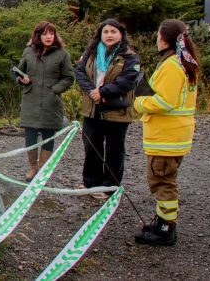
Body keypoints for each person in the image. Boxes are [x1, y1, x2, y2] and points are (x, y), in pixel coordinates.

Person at [133, 19, 200, 246]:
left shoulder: (172, 65)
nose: (156, 39)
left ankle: (165, 229)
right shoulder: (185, 62)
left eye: (158, 35)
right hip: (175, 135)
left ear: (165, 38)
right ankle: (162, 221)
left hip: (166, 137)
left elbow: (164, 101)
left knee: (162, 181)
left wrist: (139, 102)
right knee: (165, 179)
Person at [75, 19, 140, 199]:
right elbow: (80, 72)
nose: (109, 35)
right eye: (106, 32)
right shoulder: (91, 52)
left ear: (121, 34)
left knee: (114, 149)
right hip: (92, 108)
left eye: (113, 31)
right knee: (91, 146)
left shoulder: (129, 56)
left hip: (116, 111)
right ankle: (90, 183)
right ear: (100, 34)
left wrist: (103, 92)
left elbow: (128, 80)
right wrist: (92, 91)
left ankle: (110, 186)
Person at [15, 21, 75, 182]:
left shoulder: (62, 54)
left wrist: (55, 90)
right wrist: (23, 79)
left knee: (49, 134)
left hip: (51, 101)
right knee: (30, 135)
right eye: (44, 34)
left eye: (51, 33)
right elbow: (19, 72)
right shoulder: (28, 51)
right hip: (30, 100)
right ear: (38, 36)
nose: (48, 37)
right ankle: (33, 167)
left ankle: (42, 169)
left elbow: (69, 77)